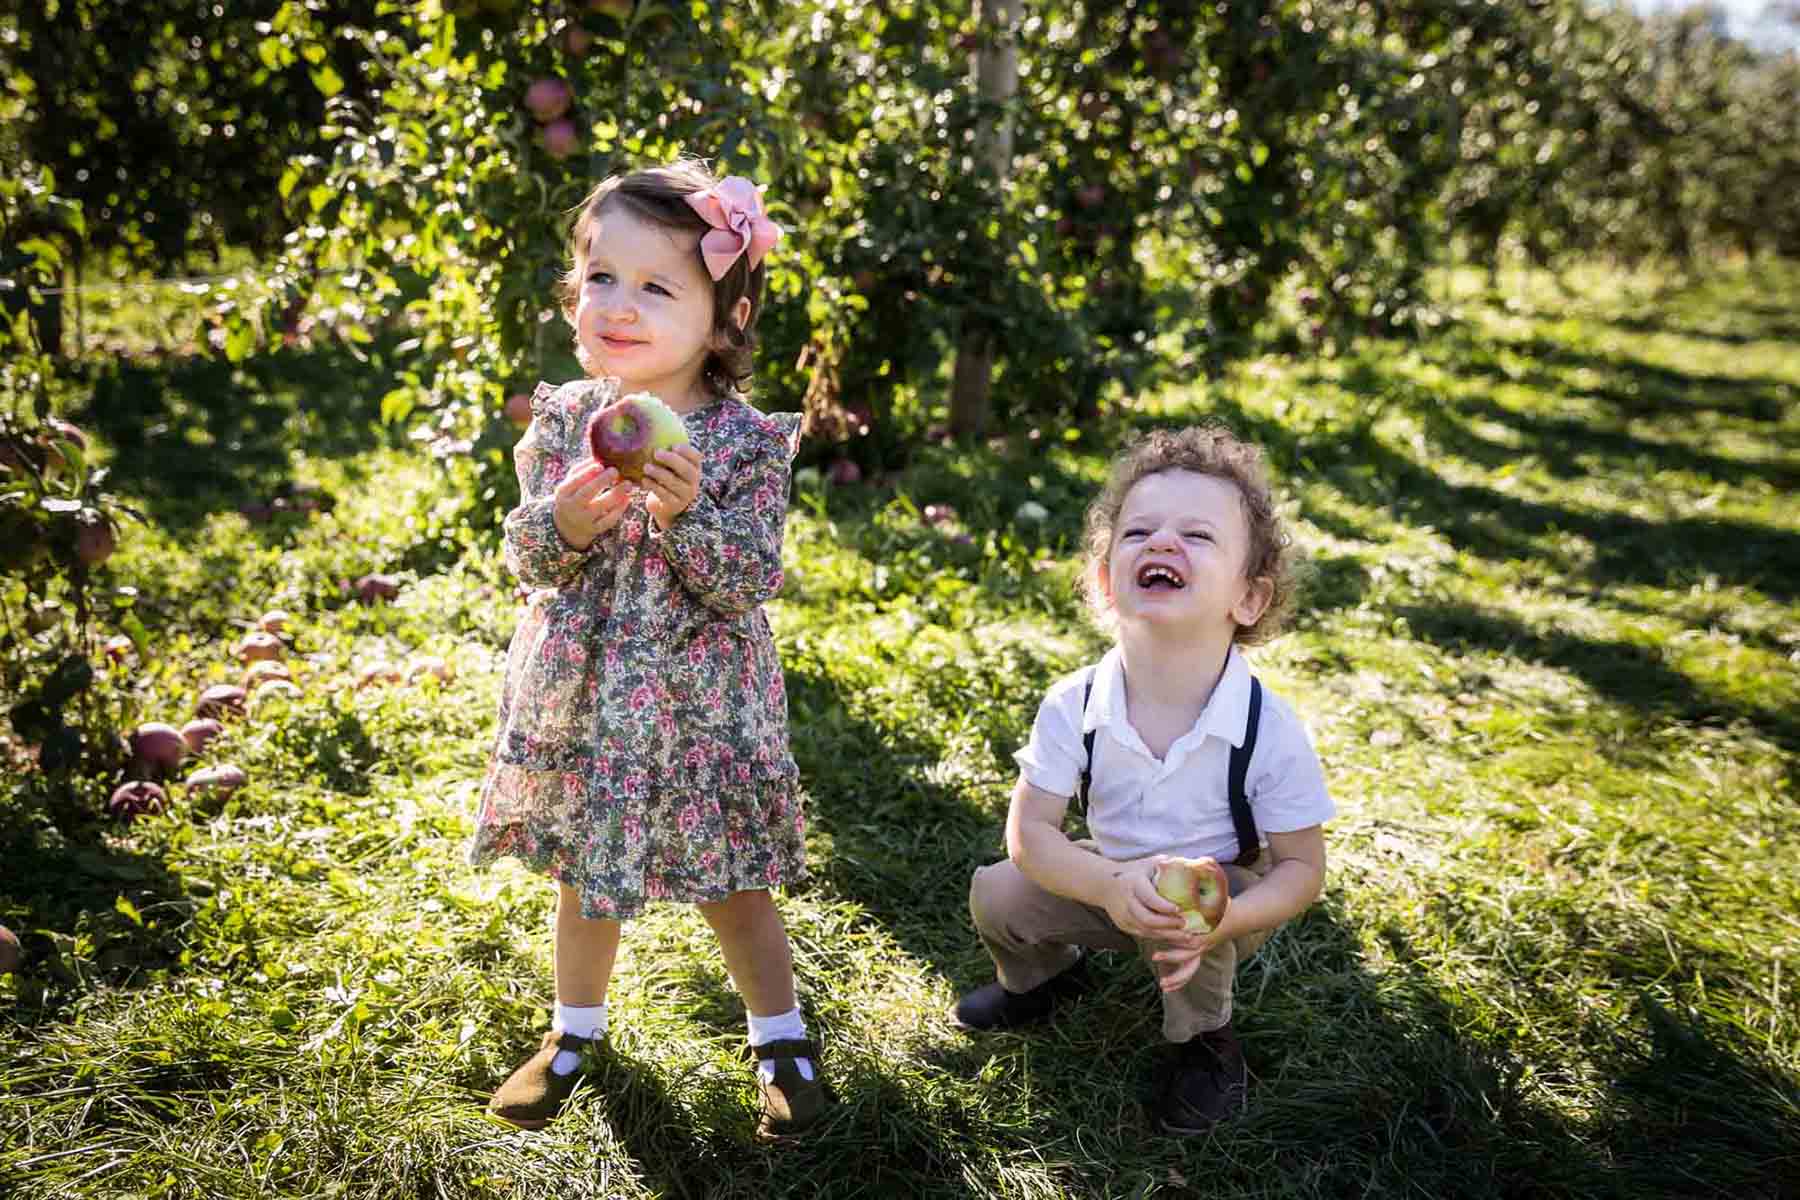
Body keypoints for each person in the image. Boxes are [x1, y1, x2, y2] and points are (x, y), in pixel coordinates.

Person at [469, 159, 828, 1138]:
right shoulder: (564, 424)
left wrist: (688, 517)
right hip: (586, 700)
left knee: (734, 883)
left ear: (723, 323)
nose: (618, 305)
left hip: (701, 708)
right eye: (600, 277)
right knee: (585, 873)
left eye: (657, 286)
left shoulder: (745, 445)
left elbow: (750, 578)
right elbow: (525, 556)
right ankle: (571, 1033)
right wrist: (567, 525)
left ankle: (781, 1037)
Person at [950, 425, 1333, 1134]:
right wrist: (1105, 888)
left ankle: (1202, 1042)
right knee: (996, 890)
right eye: (1139, 532)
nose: (1162, 543)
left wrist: (1229, 916)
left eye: (1197, 535)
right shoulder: (1075, 703)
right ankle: (1041, 982)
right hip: (1112, 876)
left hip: (1219, 889)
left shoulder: (1266, 727)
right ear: (1104, 582)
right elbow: (1031, 831)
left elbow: (1302, 869)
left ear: (1248, 598)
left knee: (1188, 913)